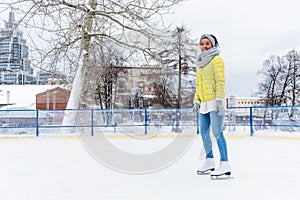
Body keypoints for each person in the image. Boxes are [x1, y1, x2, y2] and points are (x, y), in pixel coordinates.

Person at [193, 34, 231, 178]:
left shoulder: (217, 60)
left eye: (207, 43)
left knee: (217, 132)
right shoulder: (200, 63)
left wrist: (221, 100)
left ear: (213, 45)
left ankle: (225, 164)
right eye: (202, 43)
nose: (204, 46)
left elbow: (221, 81)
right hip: (204, 102)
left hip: (215, 102)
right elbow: (198, 85)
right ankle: (209, 161)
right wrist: (196, 100)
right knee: (203, 132)